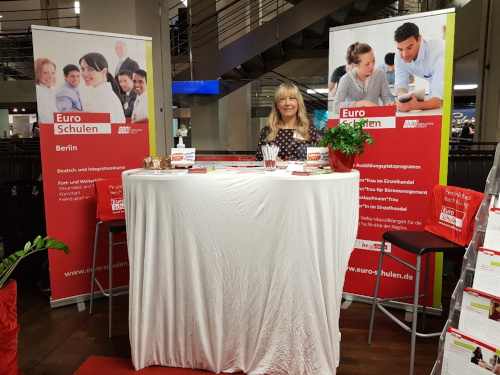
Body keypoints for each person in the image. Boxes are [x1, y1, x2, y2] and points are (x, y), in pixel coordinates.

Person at [255, 83, 320, 161]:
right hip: (275, 173)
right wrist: (270, 160)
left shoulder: (310, 131)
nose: (287, 103)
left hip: (301, 173)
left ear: (298, 103)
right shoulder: (267, 131)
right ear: (277, 105)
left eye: (292, 98)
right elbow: (259, 159)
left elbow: (320, 161)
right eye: (282, 99)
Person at [394, 22, 446, 112]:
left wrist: (416, 106)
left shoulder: (439, 52)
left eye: (409, 47)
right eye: (400, 49)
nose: (404, 54)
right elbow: (401, 85)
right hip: (436, 87)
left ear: (419, 39)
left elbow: (439, 99)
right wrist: (403, 99)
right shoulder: (399, 57)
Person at [333, 42, 393, 114]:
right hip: (353, 122)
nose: (372, 66)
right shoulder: (345, 79)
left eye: (373, 61)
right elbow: (336, 107)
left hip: (376, 120)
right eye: (367, 64)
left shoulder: (380, 74)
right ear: (356, 65)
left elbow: (387, 97)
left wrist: (390, 103)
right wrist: (361, 104)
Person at [79, 52, 125, 123]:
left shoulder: (103, 97)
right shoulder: (102, 94)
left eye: (90, 69)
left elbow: (104, 130)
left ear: (104, 72)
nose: (84, 73)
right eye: (82, 69)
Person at [34, 58, 57, 124]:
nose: (51, 77)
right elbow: (47, 120)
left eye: (53, 73)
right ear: (37, 74)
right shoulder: (40, 91)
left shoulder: (46, 91)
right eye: (46, 73)